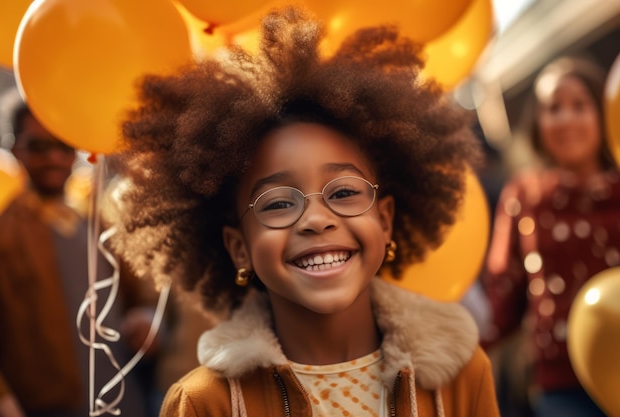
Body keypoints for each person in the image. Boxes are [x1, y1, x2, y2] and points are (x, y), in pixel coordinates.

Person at [108, 7, 501, 417]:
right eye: (278, 203)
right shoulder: (205, 404)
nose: (316, 219)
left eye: (345, 191)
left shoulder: (462, 377)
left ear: (384, 221)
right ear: (239, 247)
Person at [0, 89, 157, 417]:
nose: (54, 158)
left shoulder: (97, 221)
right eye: (39, 146)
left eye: (64, 146)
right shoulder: (1, 234)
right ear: (16, 149)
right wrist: (1, 399)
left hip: (125, 398)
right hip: (48, 407)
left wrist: (149, 320)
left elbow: (139, 297)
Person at [482, 55, 619, 417]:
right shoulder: (524, 194)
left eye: (579, 105)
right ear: (537, 122)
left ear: (604, 113)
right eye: (553, 108)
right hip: (559, 387)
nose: (566, 119)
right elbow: (503, 288)